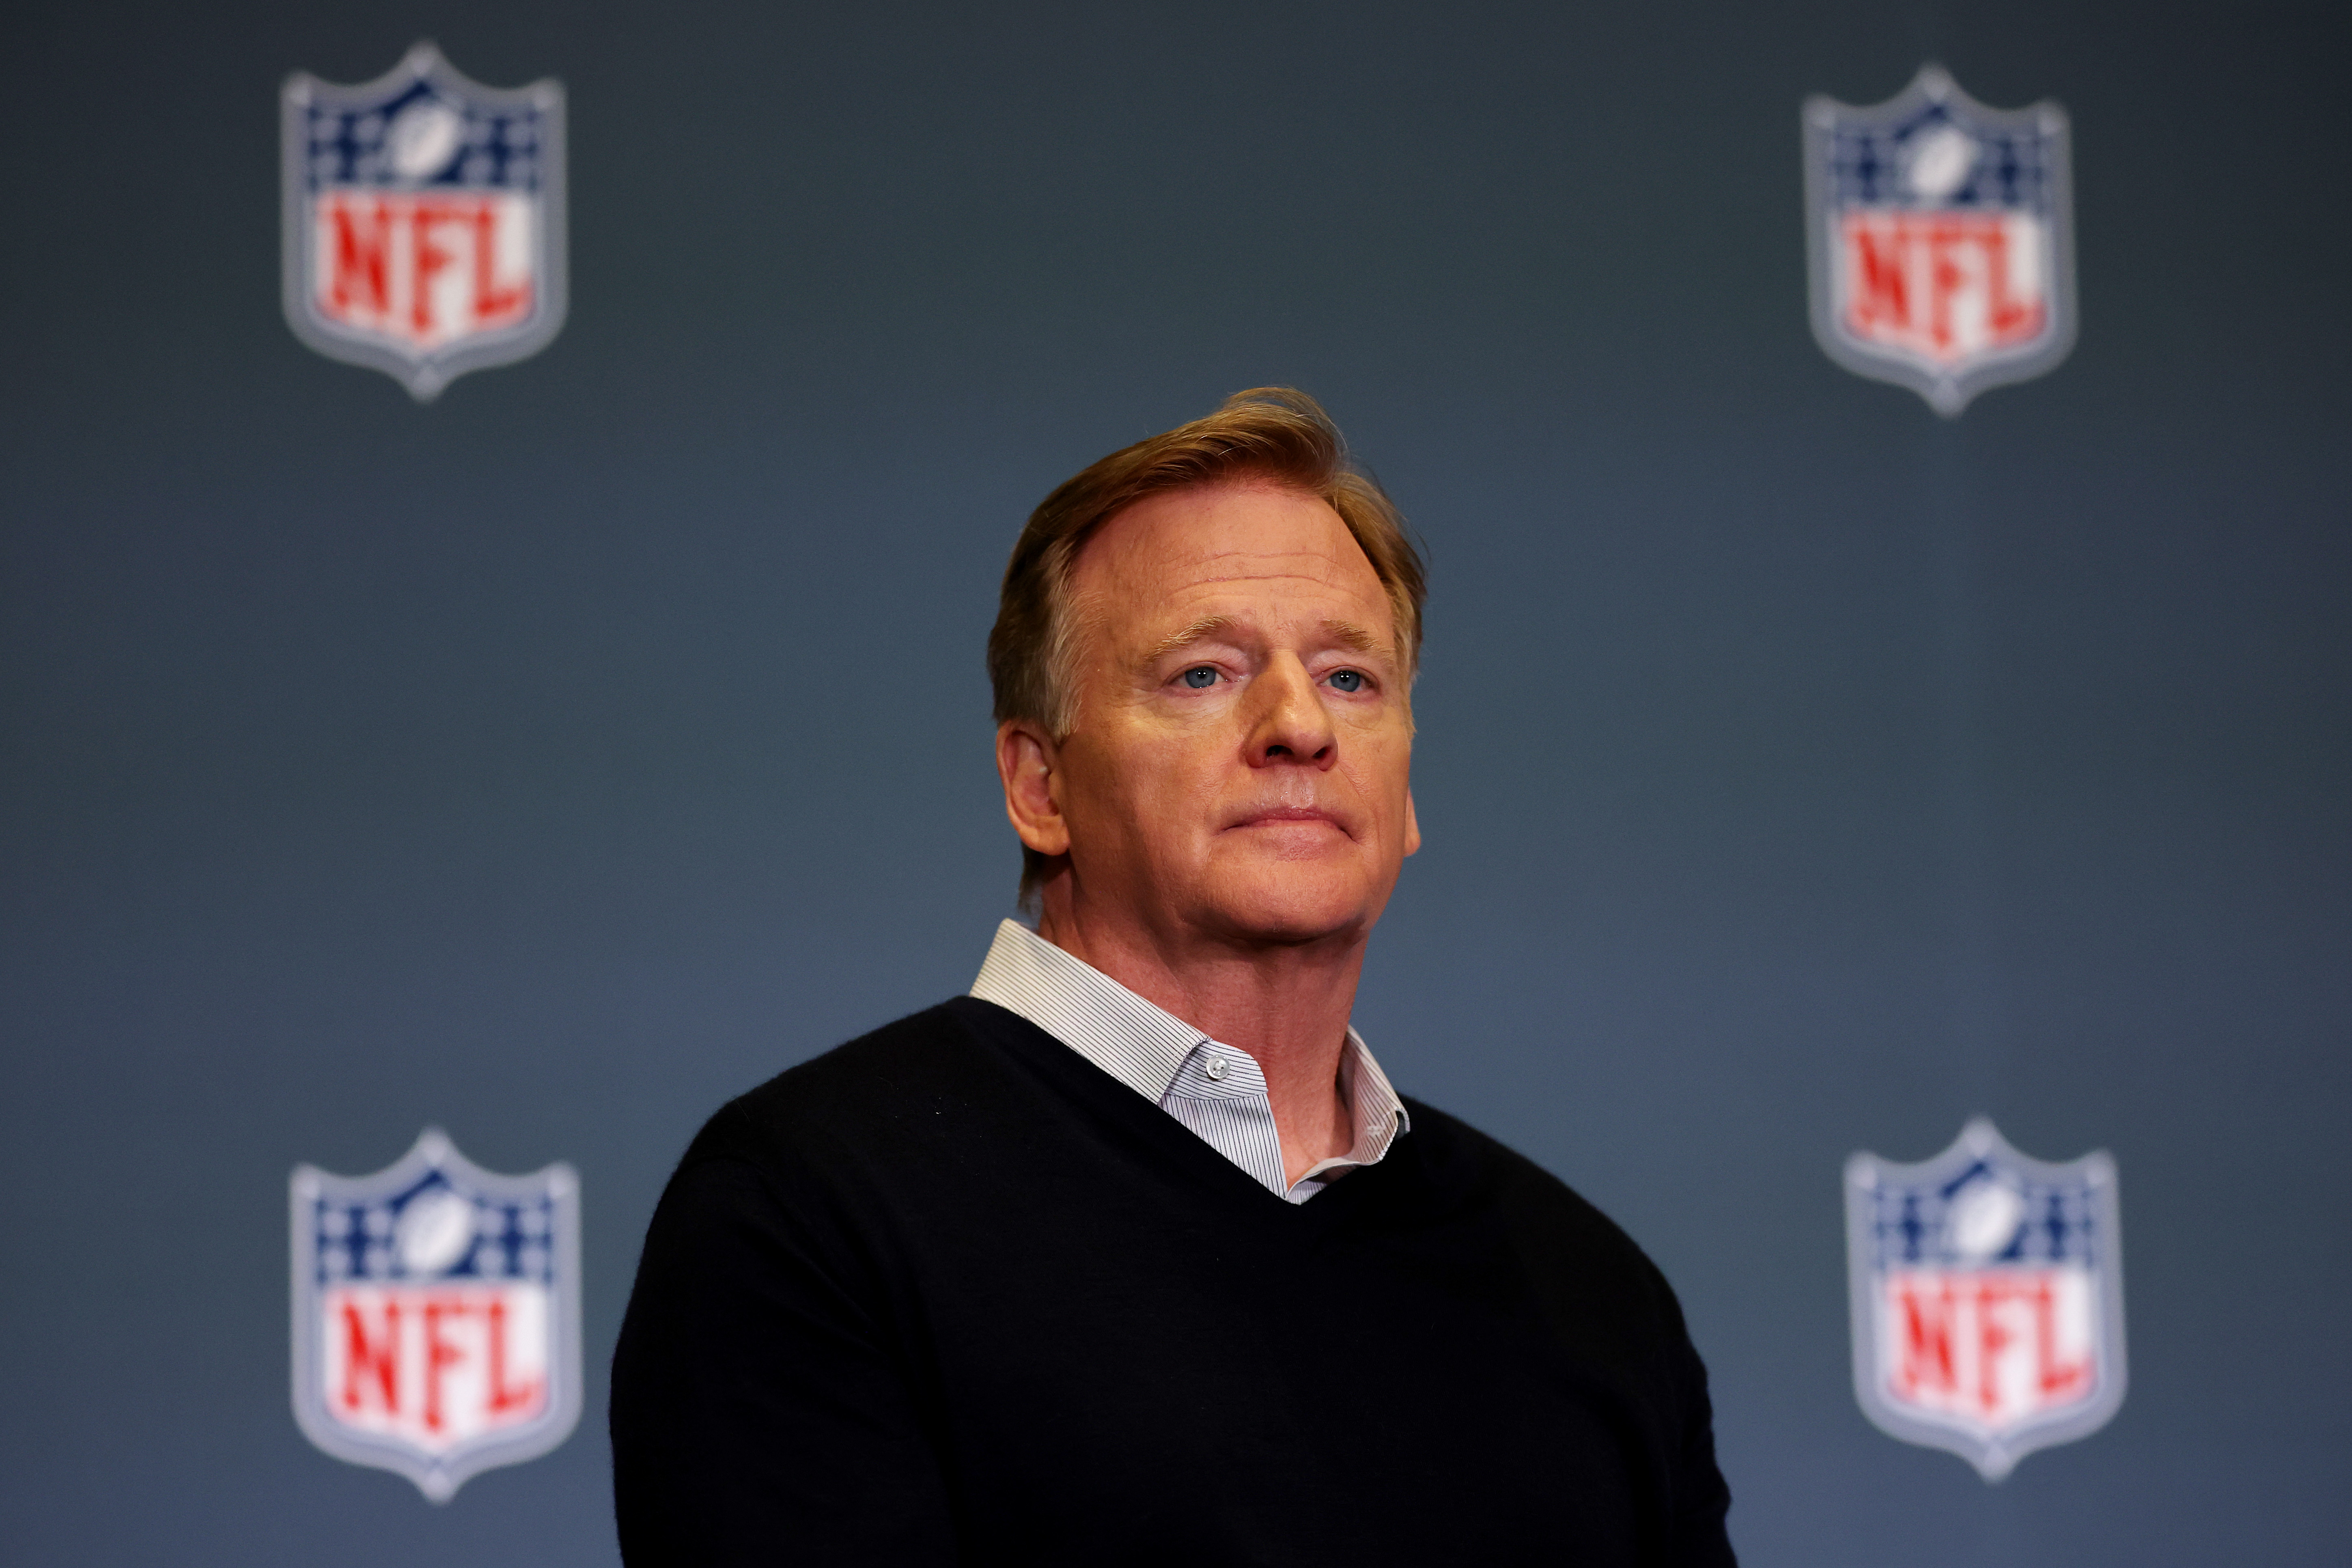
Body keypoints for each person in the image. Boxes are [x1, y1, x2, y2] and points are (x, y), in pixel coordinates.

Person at [610, 389, 1736, 1566]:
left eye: (1352, 679)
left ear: (1405, 793)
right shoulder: (808, 1209)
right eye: (1203, 674)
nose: (1299, 725)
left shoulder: (1589, 1294)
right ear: (1038, 787)